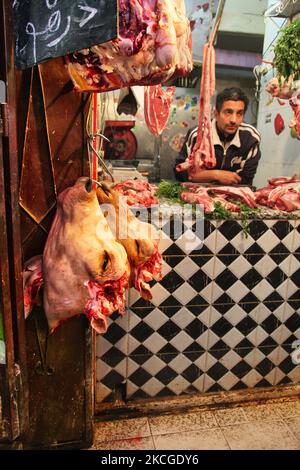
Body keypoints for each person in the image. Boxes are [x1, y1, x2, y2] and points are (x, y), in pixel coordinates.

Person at [175, 87, 261, 186]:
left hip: (233, 197)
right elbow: (180, 172)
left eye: (239, 113)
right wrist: (216, 175)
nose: (233, 120)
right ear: (216, 114)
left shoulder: (251, 138)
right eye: (228, 112)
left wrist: (200, 175)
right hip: (200, 195)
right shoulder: (198, 134)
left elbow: (246, 179)